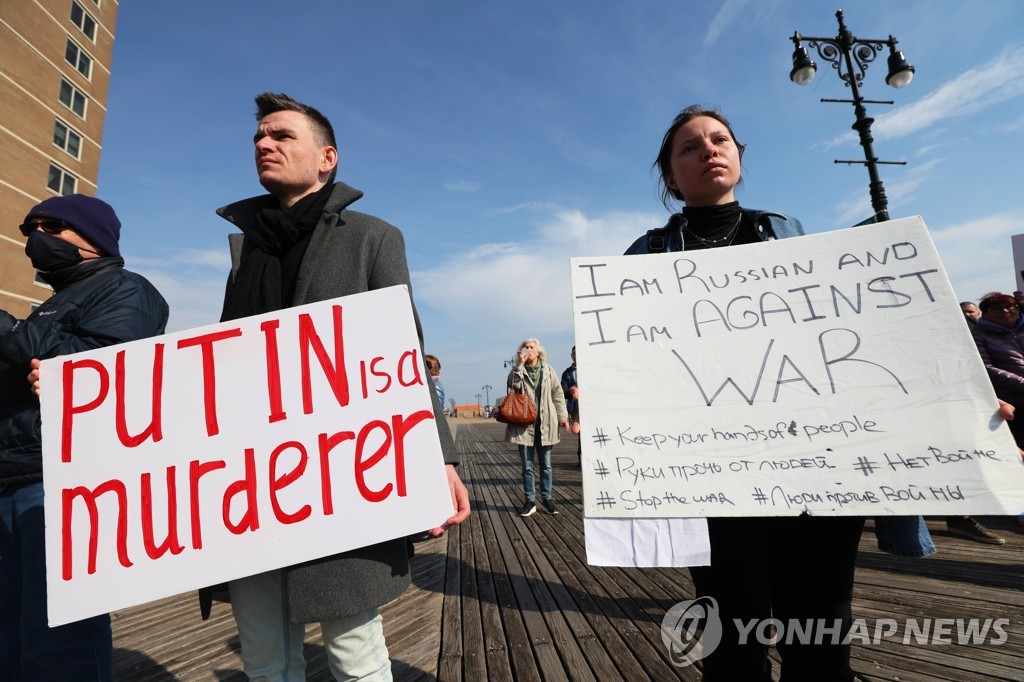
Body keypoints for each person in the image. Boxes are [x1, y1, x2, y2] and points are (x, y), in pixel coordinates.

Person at [618, 105, 935, 681]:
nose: (709, 150)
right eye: (689, 148)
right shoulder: (642, 260)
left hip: (815, 480)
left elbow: (864, 345)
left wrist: (948, 397)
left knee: (820, 641)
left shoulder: (795, 240)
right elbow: (630, 371)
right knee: (731, 648)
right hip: (715, 486)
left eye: (720, 140)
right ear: (669, 176)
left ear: (738, 156)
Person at [209, 92, 469, 681]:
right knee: (264, 657)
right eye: (258, 137)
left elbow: (402, 349)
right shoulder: (244, 248)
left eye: (281, 136)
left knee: (355, 653)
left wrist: (439, 458)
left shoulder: (373, 238)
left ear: (326, 157)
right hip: (248, 482)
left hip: (341, 477)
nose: (263, 145)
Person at [0, 194, 169, 681]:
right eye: (30, 228)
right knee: (12, 633)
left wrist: (9, 334)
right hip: (15, 478)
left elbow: (100, 371)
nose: (38, 238)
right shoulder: (52, 305)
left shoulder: (127, 291)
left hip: (59, 482)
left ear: (93, 240)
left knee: (60, 638)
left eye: (53, 226)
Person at [505, 338, 569, 516]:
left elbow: (557, 393)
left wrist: (563, 417)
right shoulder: (517, 370)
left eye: (531, 347)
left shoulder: (548, 370)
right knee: (527, 465)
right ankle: (530, 500)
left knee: (546, 465)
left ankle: (547, 499)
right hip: (525, 426)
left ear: (539, 351)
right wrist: (519, 365)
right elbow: (513, 386)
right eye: (525, 347)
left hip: (546, 424)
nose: (528, 350)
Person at [560, 346, 581, 459]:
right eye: (574, 353)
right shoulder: (567, 373)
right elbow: (562, 391)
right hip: (574, 407)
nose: (576, 355)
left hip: (590, 406)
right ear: (571, 356)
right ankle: (581, 457)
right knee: (579, 434)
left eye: (578, 353)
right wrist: (572, 389)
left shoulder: (591, 369)